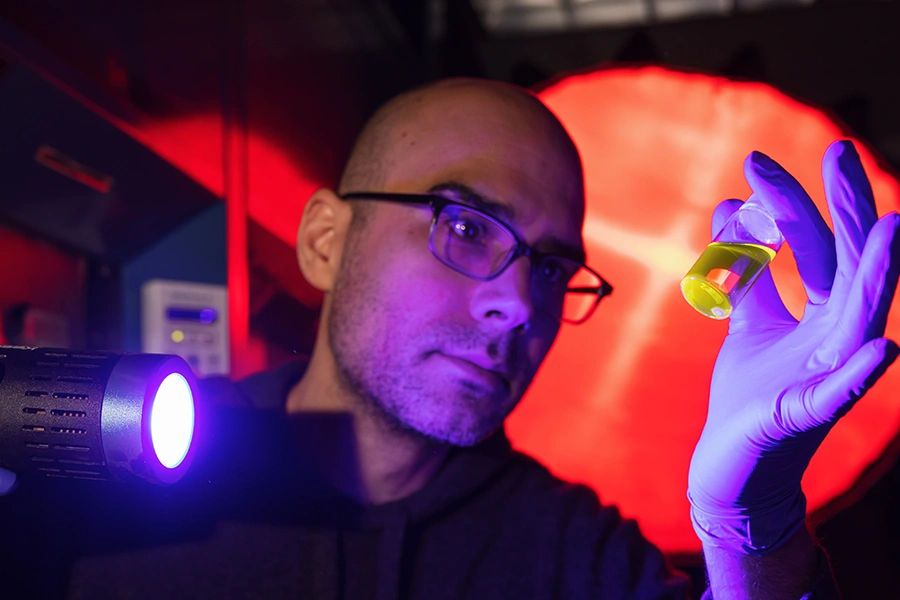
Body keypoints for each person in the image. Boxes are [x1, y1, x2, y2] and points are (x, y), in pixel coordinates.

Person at [2, 77, 897, 599]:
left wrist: (755, 536)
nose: (518, 304)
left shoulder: (568, 550)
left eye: (550, 267)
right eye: (466, 225)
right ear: (324, 241)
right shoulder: (102, 470)